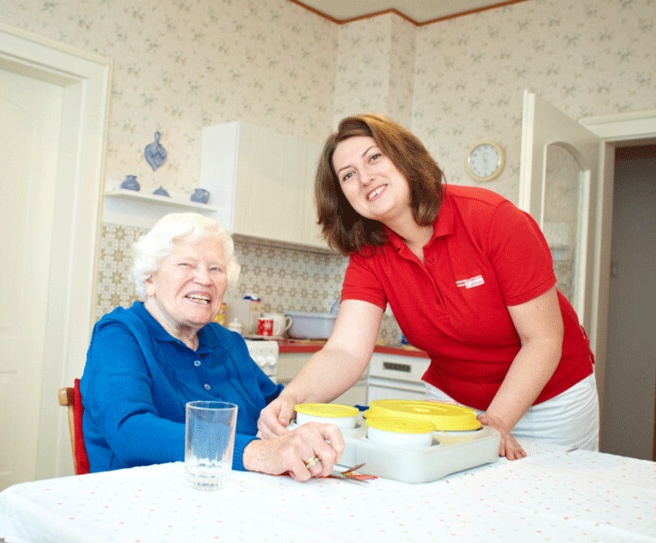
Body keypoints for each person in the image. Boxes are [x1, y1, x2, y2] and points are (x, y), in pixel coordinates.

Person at [258, 114, 599, 460]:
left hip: (552, 402)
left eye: (374, 157)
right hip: (456, 404)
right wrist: (291, 398)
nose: (364, 178)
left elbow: (542, 339)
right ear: (343, 196)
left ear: (404, 156)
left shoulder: (492, 218)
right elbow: (345, 351)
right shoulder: (369, 255)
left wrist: (497, 422)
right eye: (347, 175)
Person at [80, 212, 343, 480]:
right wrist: (257, 452)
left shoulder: (227, 341)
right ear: (150, 279)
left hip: (238, 495)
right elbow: (130, 431)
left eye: (215, 269)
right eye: (186, 265)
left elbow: (275, 407)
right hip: (148, 501)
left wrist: (340, 425)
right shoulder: (119, 335)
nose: (204, 280)